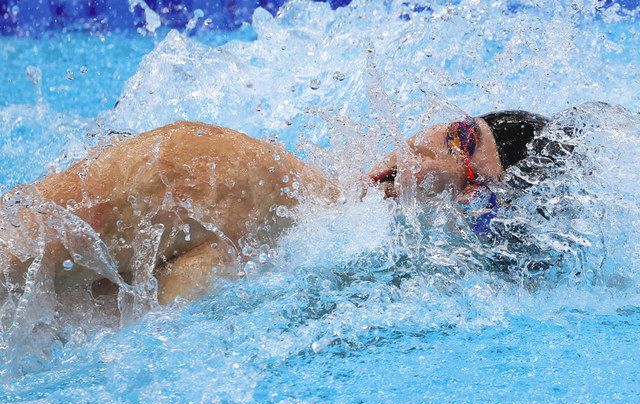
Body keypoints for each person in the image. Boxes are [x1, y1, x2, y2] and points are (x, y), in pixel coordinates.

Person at [0, 111, 566, 308]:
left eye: (471, 177)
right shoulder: (221, 168)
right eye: (461, 134)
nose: (440, 158)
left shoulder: (334, 274)